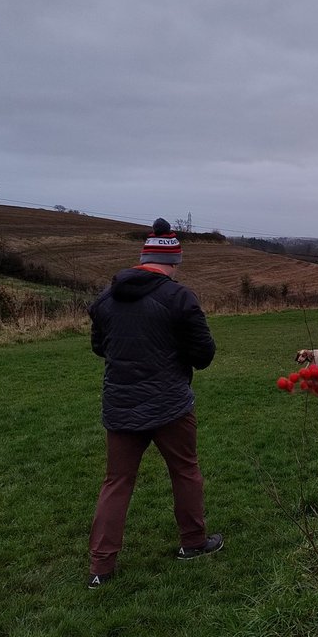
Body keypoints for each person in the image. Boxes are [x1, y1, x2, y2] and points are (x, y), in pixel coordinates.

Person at [87, 217, 222, 589]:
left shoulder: (105, 299)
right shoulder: (180, 297)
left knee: (116, 482)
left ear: (142, 258)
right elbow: (204, 354)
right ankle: (193, 543)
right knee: (185, 471)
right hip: (170, 405)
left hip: (120, 403)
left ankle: (101, 567)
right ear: (174, 262)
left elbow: (100, 347)